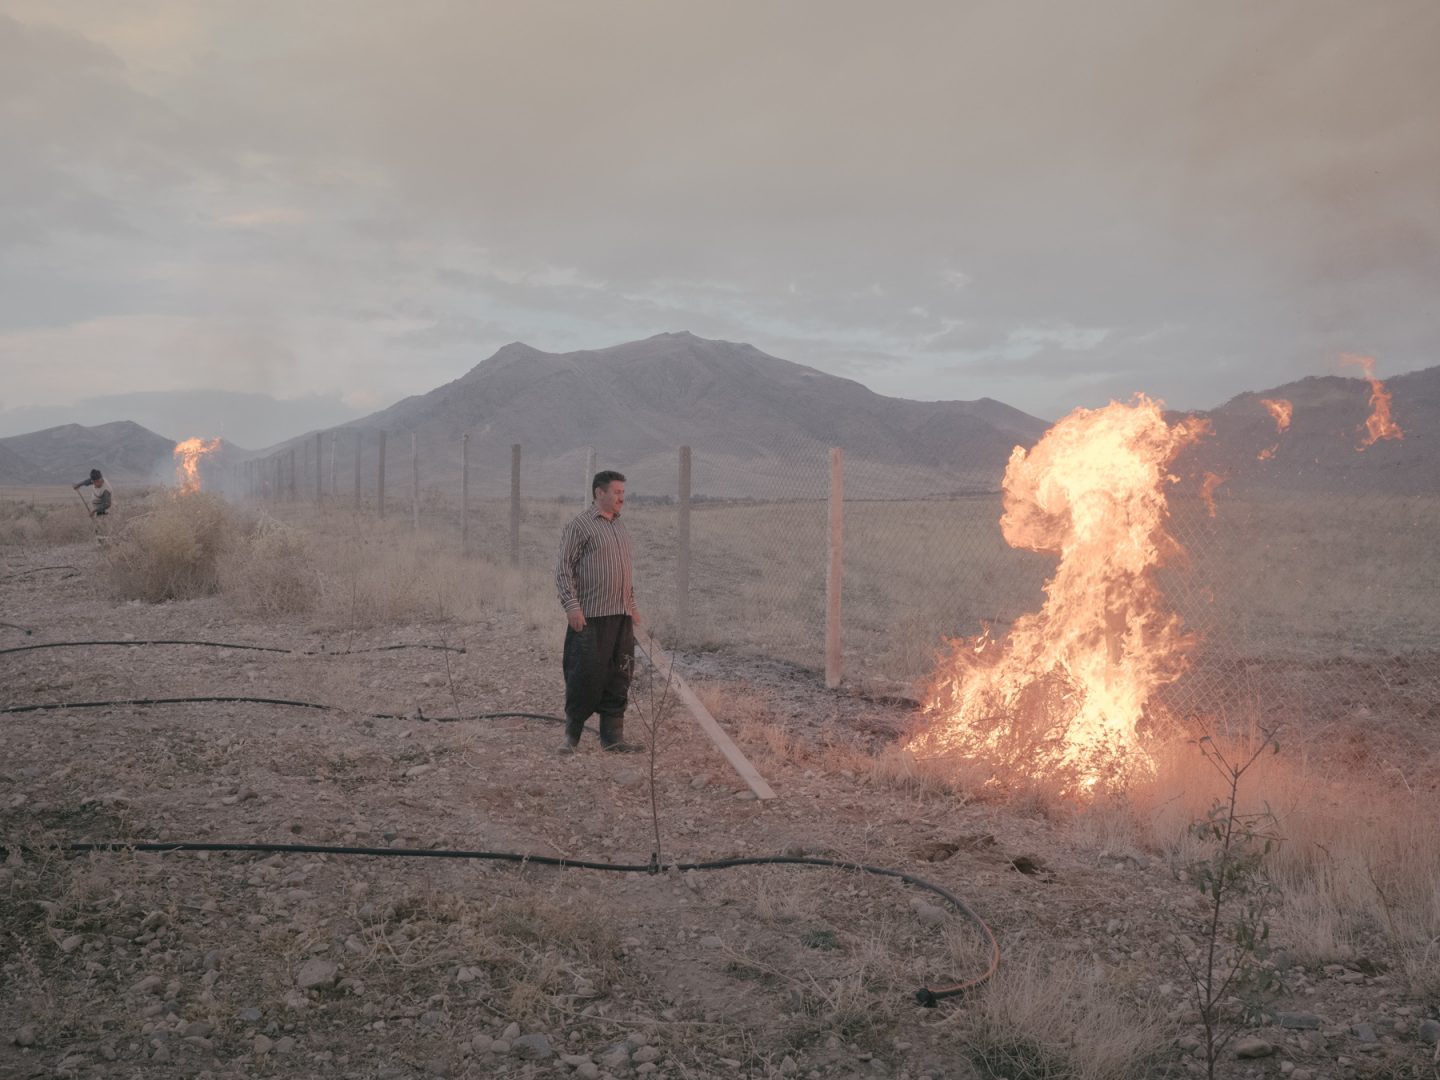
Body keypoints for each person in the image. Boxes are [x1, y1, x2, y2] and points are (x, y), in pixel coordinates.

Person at [554, 470, 644, 754]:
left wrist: (632, 607)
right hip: (590, 617)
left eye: (623, 493)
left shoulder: (620, 527)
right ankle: (571, 738)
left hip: (620, 616)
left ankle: (612, 738)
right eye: (616, 492)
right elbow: (563, 569)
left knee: (620, 674)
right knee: (584, 675)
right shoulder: (580, 526)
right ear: (599, 493)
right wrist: (571, 606)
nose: (621, 498)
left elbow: (624, 573)